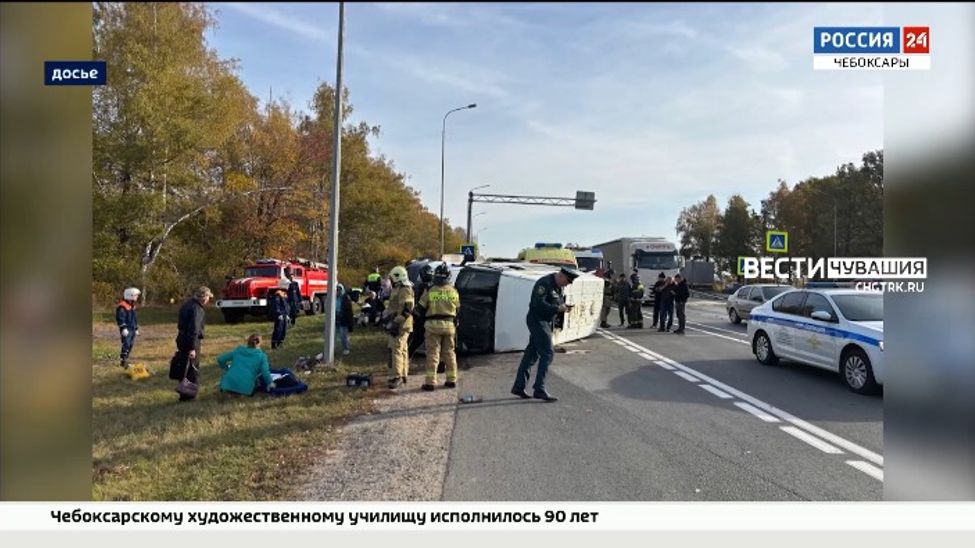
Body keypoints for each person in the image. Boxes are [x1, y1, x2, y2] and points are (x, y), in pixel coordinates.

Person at [510, 266, 580, 402]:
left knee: (531, 354)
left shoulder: (558, 287)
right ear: (560, 276)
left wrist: (563, 307)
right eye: (566, 281)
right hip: (537, 320)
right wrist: (557, 308)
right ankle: (539, 389)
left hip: (545, 322)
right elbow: (538, 303)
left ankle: (519, 386)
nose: (567, 284)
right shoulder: (544, 283)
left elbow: (556, 302)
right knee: (548, 353)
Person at [415, 263, 460, 391]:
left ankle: (430, 382)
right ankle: (451, 380)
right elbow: (458, 309)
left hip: (432, 326)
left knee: (433, 354)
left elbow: (420, 308)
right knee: (449, 353)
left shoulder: (430, 290)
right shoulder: (453, 291)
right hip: (449, 326)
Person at [169, 286, 212, 401]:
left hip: (181, 338)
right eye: (208, 297)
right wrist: (192, 348)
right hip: (191, 340)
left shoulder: (186, 305)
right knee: (192, 369)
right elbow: (194, 329)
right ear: (203, 297)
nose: (208, 299)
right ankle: (190, 395)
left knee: (184, 366)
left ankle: (183, 394)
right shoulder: (197, 309)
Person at [383, 265, 414, 389]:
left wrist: (395, 322)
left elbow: (407, 309)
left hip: (401, 324)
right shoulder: (399, 288)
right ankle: (403, 374)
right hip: (399, 323)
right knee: (402, 350)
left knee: (395, 350)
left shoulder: (405, 289)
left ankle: (397, 376)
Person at [408, 263, 435, 359]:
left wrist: (414, 316)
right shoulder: (436, 287)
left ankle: (406, 358)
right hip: (434, 317)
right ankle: (441, 364)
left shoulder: (422, 286)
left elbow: (419, 303)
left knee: (415, 340)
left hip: (422, 317)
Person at [116, 287, 141, 369]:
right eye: (136, 295)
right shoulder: (123, 306)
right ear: (130, 295)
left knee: (130, 344)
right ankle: (123, 360)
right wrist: (123, 328)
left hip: (132, 328)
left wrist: (136, 328)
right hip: (127, 329)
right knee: (126, 344)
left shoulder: (132, 306)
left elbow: (134, 318)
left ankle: (126, 358)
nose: (137, 297)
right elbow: (120, 318)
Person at [334, 283, 354, 355]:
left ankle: (346, 348)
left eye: (339, 290)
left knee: (343, 336)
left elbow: (349, 312)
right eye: (337, 290)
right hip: (335, 319)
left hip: (343, 319)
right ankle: (332, 349)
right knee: (333, 336)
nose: (338, 291)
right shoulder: (333, 298)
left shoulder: (346, 299)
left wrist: (350, 323)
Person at [270, 278, 290, 349]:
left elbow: (287, 306)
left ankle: (280, 343)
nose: (288, 286)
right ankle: (275, 344)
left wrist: (287, 314)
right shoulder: (278, 294)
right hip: (280, 315)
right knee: (278, 329)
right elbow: (276, 305)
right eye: (287, 285)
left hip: (285, 315)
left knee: (284, 330)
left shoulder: (285, 294)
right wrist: (279, 314)